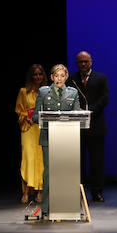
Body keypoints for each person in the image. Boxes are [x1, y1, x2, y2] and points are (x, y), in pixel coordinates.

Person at [33, 64, 80, 217]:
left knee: (68, 172)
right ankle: (46, 208)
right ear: (52, 77)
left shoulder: (73, 93)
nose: (59, 79)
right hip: (48, 138)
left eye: (62, 75)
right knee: (48, 174)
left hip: (67, 139)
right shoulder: (43, 91)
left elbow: (78, 116)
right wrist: (47, 118)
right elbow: (35, 116)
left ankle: (68, 206)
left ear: (66, 77)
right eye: (56, 76)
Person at [70, 51, 109, 202]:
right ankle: (78, 191)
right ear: (77, 63)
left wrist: (89, 110)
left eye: (86, 61)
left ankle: (97, 191)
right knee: (78, 161)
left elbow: (104, 98)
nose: (83, 64)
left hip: (96, 125)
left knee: (97, 161)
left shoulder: (100, 78)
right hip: (76, 127)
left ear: (91, 62)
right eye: (80, 62)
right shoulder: (71, 79)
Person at [15, 64, 45, 203]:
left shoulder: (47, 92)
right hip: (28, 128)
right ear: (31, 76)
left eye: (40, 74)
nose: (37, 77)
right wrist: (25, 117)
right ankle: (26, 192)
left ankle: (39, 191)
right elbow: (19, 110)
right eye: (35, 74)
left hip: (41, 128)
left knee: (41, 159)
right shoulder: (23, 91)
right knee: (28, 158)